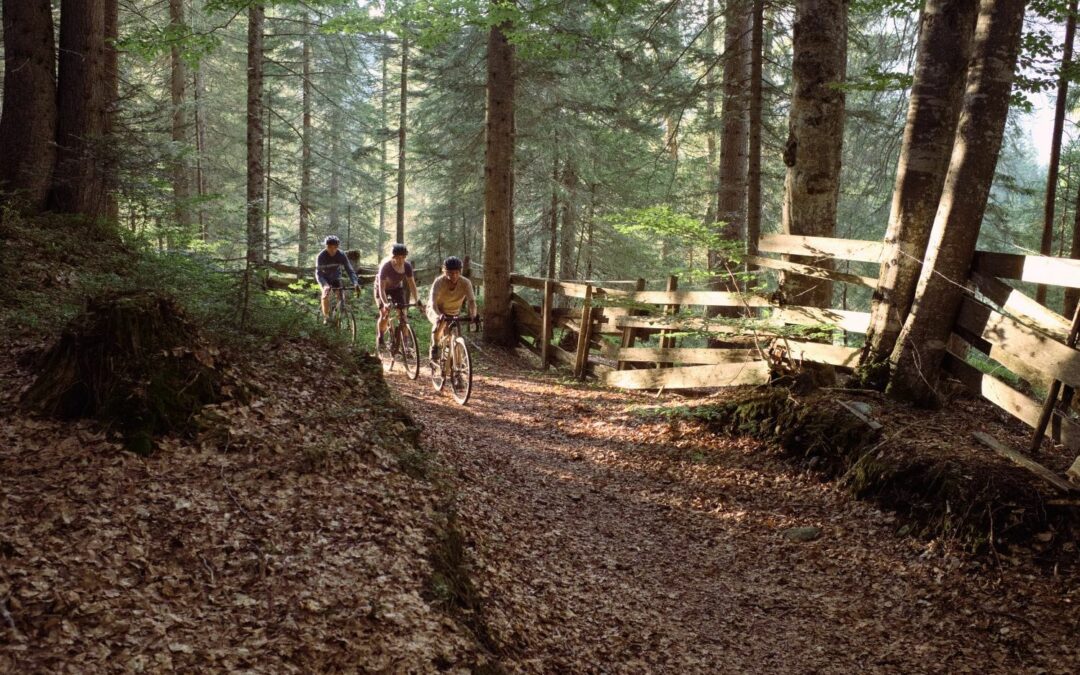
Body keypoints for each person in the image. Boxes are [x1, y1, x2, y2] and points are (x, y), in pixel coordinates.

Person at [427, 256, 478, 362]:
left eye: (456, 272)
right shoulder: (439, 282)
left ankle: (458, 364)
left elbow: (472, 301)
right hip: (436, 309)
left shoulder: (465, 283)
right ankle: (435, 346)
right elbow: (433, 302)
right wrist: (438, 315)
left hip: (454, 311)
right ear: (445, 272)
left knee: (457, 337)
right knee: (440, 324)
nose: (454, 275)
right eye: (450, 273)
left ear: (460, 271)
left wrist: (473, 314)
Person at [375, 243, 422, 345]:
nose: (400, 260)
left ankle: (405, 344)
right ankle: (381, 337)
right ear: (393, 257)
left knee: (403, 315)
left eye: (403, 258)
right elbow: (382, 289)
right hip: (382, 288)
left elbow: (412, 285)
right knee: (384, 313)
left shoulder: (407, 266)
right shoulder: (386, 266)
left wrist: (417, 299)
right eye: (397, 258)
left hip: (396, 288)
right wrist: (386, 303)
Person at [315, 235, 359, 321]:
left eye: (334, 247)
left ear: (337, 247)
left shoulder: (341, 255)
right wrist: (325, 285)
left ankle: (340, 315)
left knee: (341, 295)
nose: (332, 249)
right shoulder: (321, 256)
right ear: (326, 246)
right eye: (329, 247)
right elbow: (319, 274)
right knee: (325, 294)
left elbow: (350, 270)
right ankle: (326, 317)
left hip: (335, 277)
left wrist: (355, 282)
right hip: (324, 278)